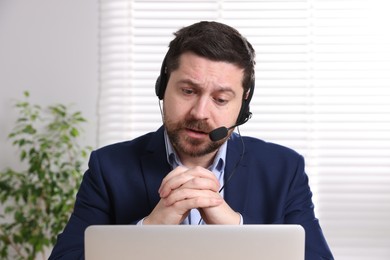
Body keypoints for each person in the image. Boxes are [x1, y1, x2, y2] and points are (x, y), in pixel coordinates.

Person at [49, 21, 333, 259]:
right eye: (187, 91)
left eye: (220, 99)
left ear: (243, 105)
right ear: (162, 87)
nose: (200, 113)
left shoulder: (284, 169)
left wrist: (235, 229)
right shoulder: (108, 167)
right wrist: (151, 228)